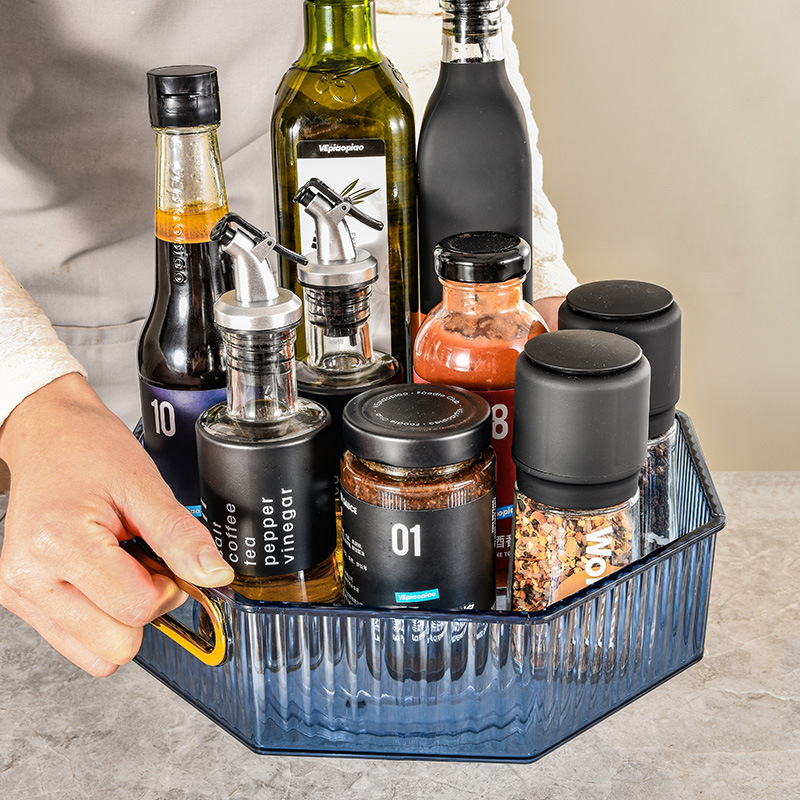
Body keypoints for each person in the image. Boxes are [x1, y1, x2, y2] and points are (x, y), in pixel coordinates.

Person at [0, 0, 578, 676]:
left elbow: (442, 29)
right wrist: (31, 397)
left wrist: (512, 295)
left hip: (373, 337)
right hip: (66, 359)